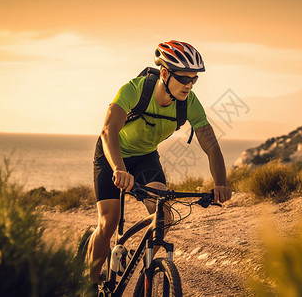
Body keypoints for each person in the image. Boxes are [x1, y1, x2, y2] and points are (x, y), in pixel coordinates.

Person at [87, 40, 232, 284]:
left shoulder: (190, 104)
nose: (189, 85)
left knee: (164, 211)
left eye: (194, 79)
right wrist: (119, 169)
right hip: (113, 154)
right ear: (165, 73)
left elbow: (211, 145)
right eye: (183, 78)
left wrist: (221, 183)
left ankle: (145, 262)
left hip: (145, 157)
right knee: (109, 220)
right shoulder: (135, 90)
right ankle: (87, 285)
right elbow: (108, 130)